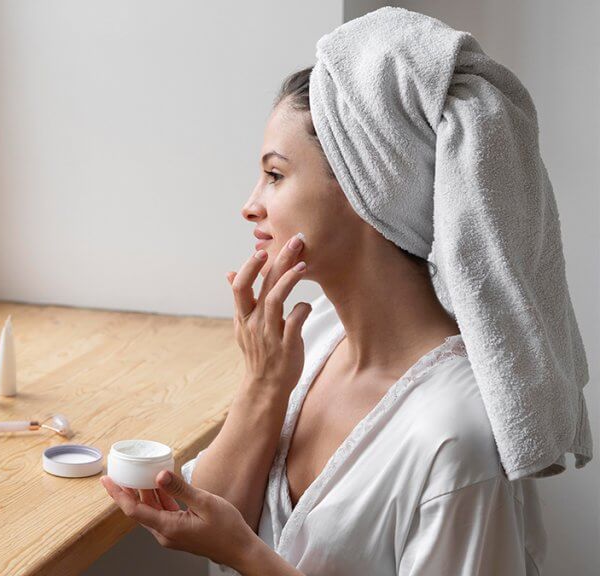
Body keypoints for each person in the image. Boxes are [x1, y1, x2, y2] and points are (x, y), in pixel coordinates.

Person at [100, 63, 546, 575]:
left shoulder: (457, 438)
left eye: (274, 175)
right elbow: (204, 516)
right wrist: (262, 387)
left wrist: (248, 557)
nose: (250, 206)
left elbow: (229, 543)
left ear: (365, 188)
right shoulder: (312, 336)